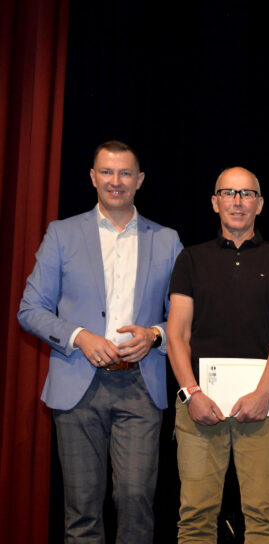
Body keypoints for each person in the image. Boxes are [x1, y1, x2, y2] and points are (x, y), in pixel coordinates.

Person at [18, 140, 182, 543]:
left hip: (141, 387)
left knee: (136, 502)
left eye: (125, 173)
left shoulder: (166, 240)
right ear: (93, 177)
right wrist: (79, 336)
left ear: (139, 180)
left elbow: (184, 316)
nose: (115, 181)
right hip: (77, 385)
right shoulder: (62, 234)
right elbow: (31, 308)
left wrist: (155, 335)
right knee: (81, 511)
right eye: (107, 172)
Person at [166, 167, 269, 543]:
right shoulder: (190, 259)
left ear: (260, 204)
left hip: (264, 406)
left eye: (247, 194)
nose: (237, 202)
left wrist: (263, 394)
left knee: (264, 516)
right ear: (215, 202)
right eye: (228, 193)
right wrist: (191, 394)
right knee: (195, 516)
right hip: (199, 405)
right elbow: (176, 334)